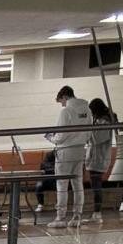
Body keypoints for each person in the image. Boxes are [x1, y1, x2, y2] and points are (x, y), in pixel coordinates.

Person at [45, 85, 91, 229]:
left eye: (61, 101)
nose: (62, 105)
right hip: (80, 149)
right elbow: (89, 132)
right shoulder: (87, 110)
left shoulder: (66, 111)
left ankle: (60, 217)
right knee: (78, 184)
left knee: (62, 184)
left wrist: (50, 138)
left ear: (65, 96)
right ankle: (77, 215)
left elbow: (61, 135)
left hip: (65, 150)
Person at [86, 98, 117, 224]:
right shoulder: (100, 121)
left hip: (98, 158)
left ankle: (97, 213)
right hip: (95, 158)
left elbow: (96, 139)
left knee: (96, 187)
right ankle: (96, 213)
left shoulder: (104, 122)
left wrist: (88, 129)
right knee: (95, 186)